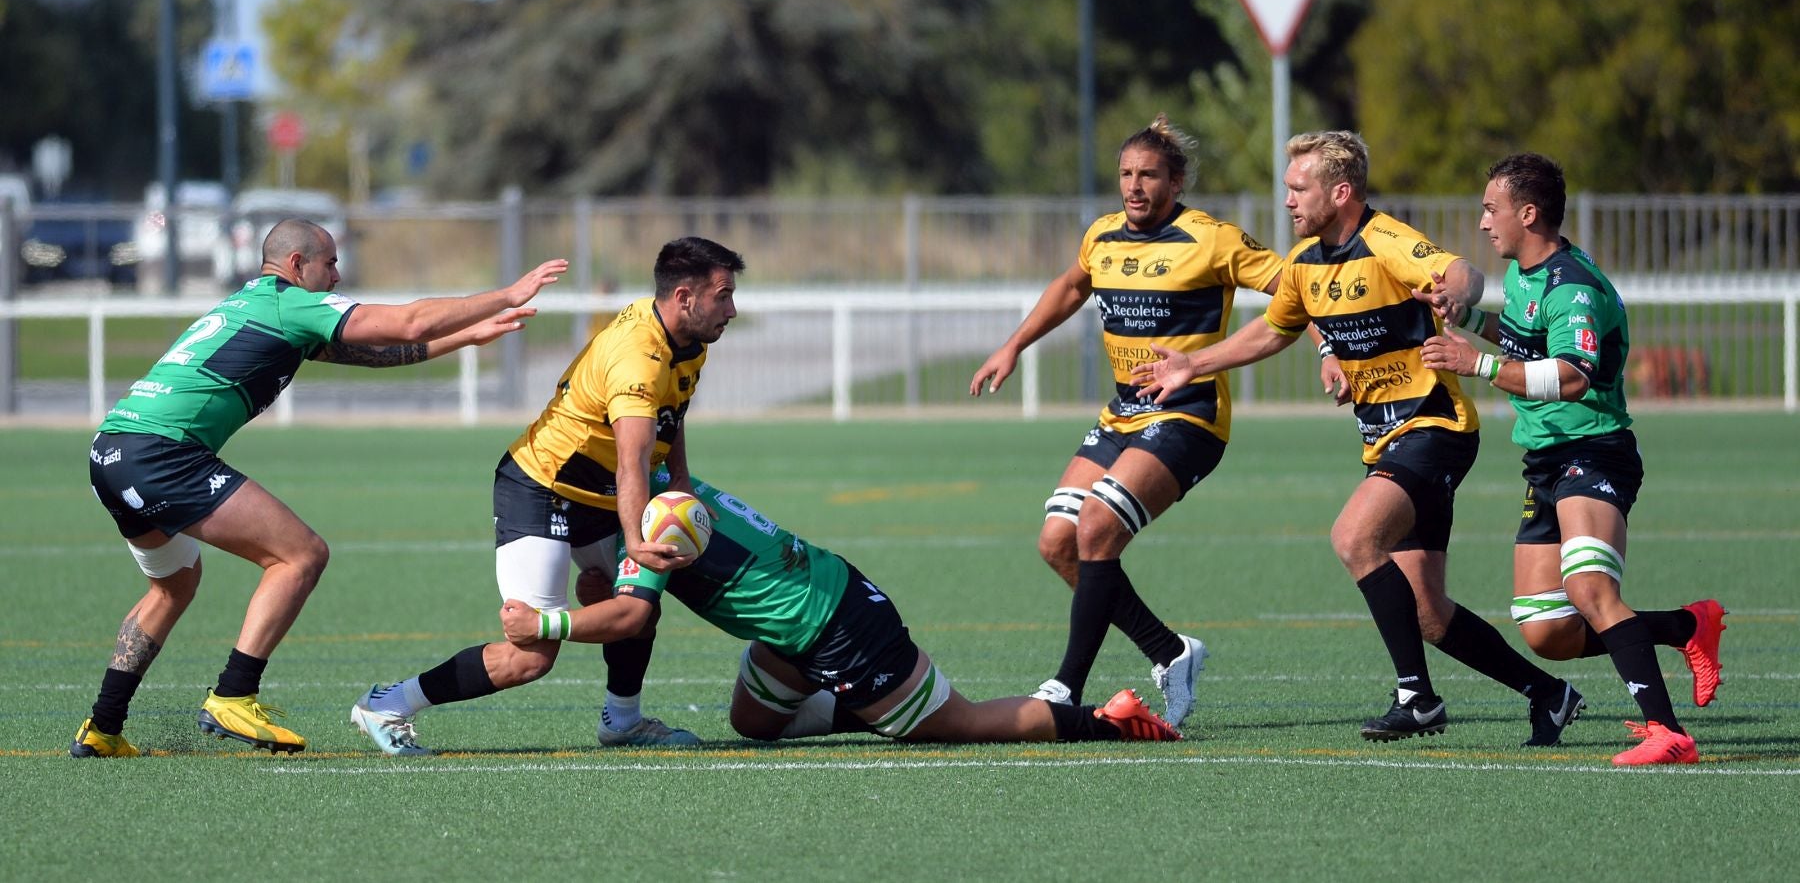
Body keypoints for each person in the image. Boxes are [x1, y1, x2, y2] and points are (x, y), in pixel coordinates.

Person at [1134, 131, 1583, 746]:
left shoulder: (1386, 240)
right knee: (1427, 612)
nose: (1287, 200)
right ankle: (1549, 694)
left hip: (1433, 428)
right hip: (1386, 440)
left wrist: (1457, 291)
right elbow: (1273, 331)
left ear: (1340, 192)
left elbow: (1462, 271)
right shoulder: (1305, 263)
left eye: (1299, 188)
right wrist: (1194, 364)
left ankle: (1417, 698)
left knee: (1353, 536)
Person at [72, 219, 567, 757]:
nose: (337, 275)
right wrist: (507, 294)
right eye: (329, 263)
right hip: (161, 453)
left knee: (174, 586)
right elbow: (408, 321)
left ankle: (103, 726)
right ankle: (234, 694)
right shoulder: (290, 303)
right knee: (300, 556)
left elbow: (375, 350)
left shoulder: (254, 305)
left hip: (112, 450)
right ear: (295, 265)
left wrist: (467, 336)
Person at [968, 115, 1307, 730]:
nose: (1133, 185)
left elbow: (1300, 287)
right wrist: (1014, 344)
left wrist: (1332, 347)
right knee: (1057, 542)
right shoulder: (1102, 235)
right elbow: (1072, 287)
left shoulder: (1210, 238)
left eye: (1148, 174)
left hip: (1189, 416)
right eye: (1125, 173)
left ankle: (1065, 687)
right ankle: (1169, 652)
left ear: (1175, 183)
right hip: (1123, 414)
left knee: (1096, 527)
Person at [349, 237, 744, 755]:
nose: (733, 310)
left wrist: (683, 482)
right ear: (686, 297)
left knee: (632, 608)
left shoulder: (689, 337)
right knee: (531, 656)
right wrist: (635, 539)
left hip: (597, 494)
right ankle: (389, 701)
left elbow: (671, 414)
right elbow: (631, 460)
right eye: (724, 295)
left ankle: (622, 721)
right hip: (541, 487)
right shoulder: (637, 357)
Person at [1418, 152, 1726, 766]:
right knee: (1546, 630)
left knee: (1589, 590)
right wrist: (1472, 319)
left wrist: (1474, 365)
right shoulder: (1533, 276)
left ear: (1527, 214)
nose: (1483, 223)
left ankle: (1669, 733)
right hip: (1546, 463)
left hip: (1595, 452)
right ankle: (1685, 627)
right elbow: (1529, 335)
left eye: (1491, 209)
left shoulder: (1573, 285)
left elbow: (1574, 374)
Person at [497, 473, 1183, 745]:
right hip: (802, 619)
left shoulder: (654, 521)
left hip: (841, 631)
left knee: (962, 722)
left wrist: (543, 625)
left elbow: (628, 619)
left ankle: (1108, 721)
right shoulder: (664, 482)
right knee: (752, 722)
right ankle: (868, 706)